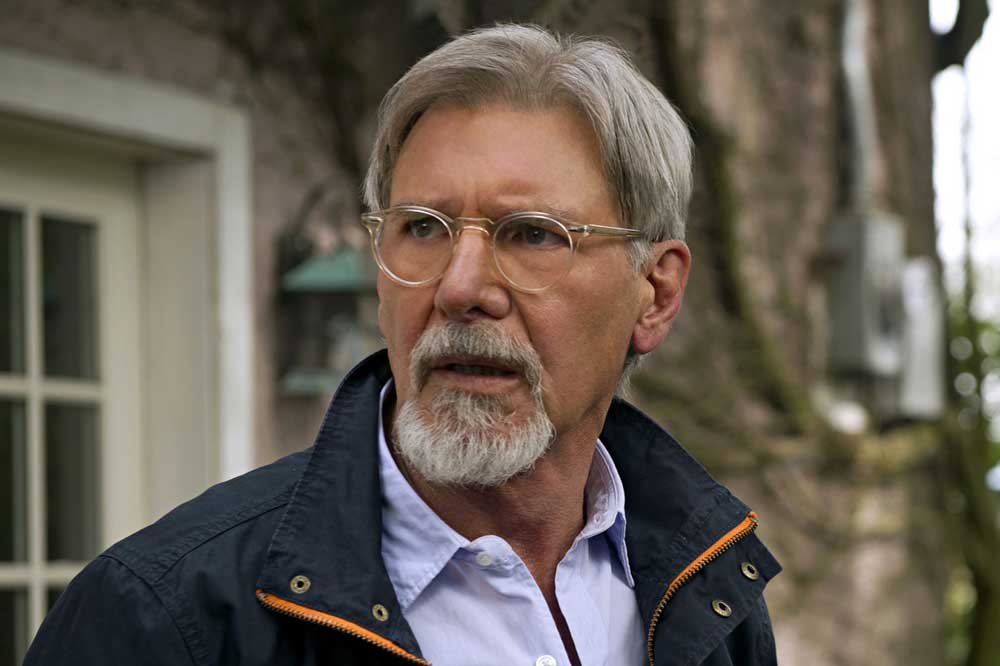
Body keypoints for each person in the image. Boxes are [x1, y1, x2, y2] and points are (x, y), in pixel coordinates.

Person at [25, 24, 780, 666]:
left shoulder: (705, 587)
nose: (459, 287)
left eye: (531, 235)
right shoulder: (165, 616)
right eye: (422, 228)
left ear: (656, 292)